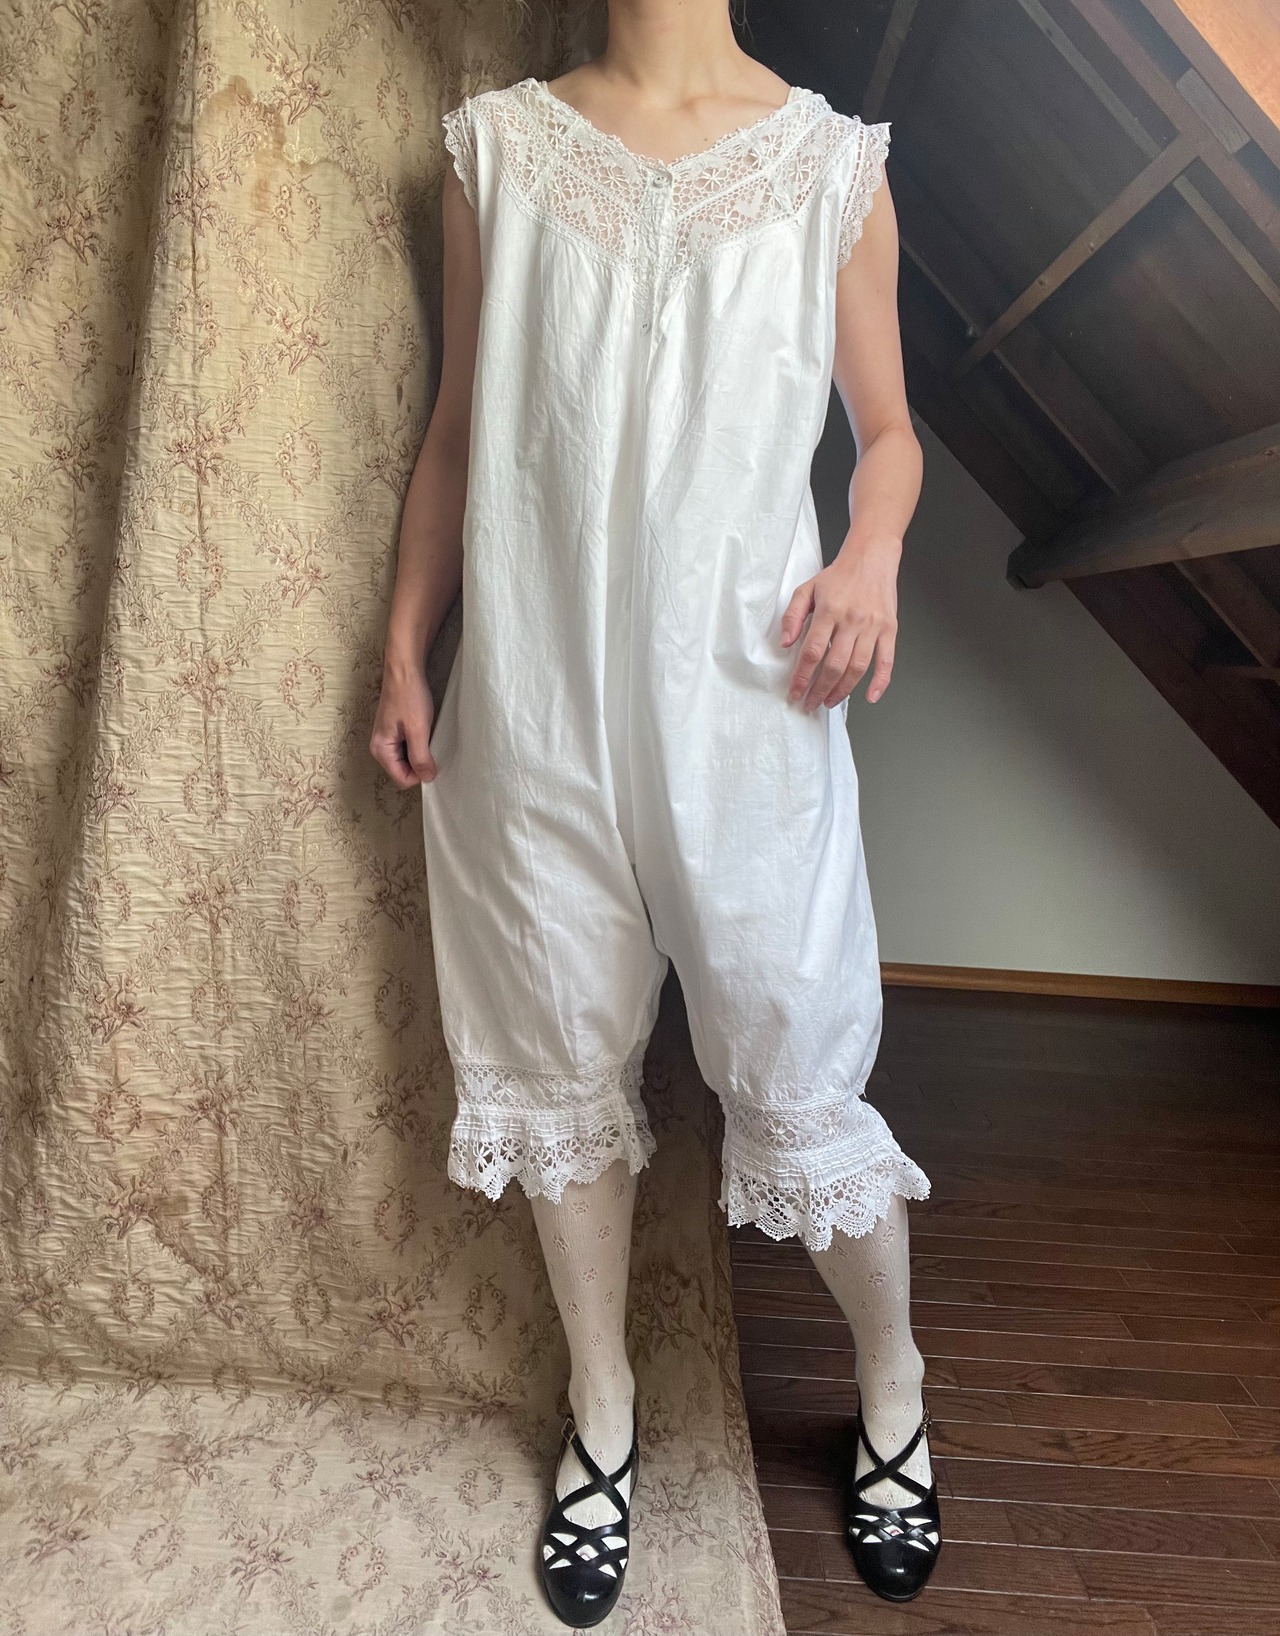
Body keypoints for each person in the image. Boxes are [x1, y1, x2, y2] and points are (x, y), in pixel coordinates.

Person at [371, 3, 940, 1624]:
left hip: (749, 714)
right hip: (531, 712)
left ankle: (894, 1382)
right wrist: (405, 643)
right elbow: (460, 432)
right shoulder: (498, 152)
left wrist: (873, 554)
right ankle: (604, 1415)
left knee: (798, 1068)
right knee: (555, 1064)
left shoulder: (830, 169)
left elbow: (891, 436)